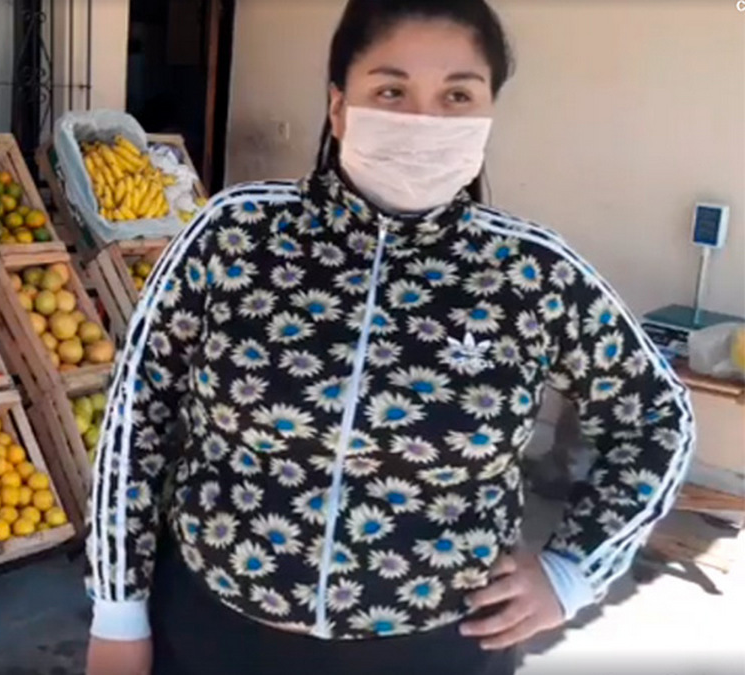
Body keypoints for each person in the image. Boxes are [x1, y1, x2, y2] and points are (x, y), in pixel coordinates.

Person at [84, 1, 695, 673]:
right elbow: (134, 420)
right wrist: (118, 612)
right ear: (340, 107)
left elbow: (658, 416)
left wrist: (575, 570)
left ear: (488, 114)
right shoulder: (235, 235)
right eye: (391, 90)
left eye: (456, 95)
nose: (422, 121)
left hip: (437, 648)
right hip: (212, 632)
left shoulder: (532, 275)